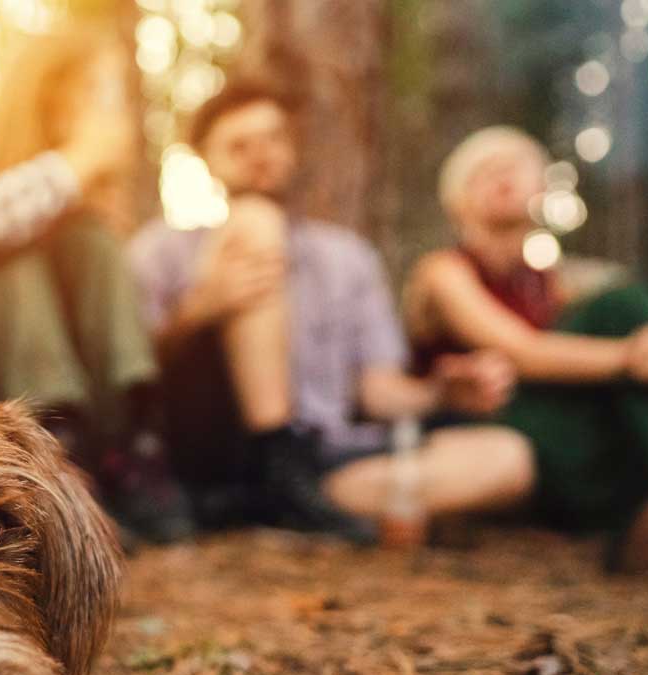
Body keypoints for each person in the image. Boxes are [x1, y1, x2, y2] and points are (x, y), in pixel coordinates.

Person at [128, 80, 535, 541]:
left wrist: (439, 392)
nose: (260, 155)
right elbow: (130, 384)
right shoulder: (159, 251)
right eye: (239, 146)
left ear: (294, 146)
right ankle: (275, 463)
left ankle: (286, 504)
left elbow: (376, 393)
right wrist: (198, 309)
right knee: (256, 219)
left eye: (273, 138)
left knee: (509, 458)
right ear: (206, 160)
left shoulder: (348, 257)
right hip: (212, 450)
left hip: (322, 455)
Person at [0, 25, 194, 545]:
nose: (110, 111)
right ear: (53, 92)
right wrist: (78, 164)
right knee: (12, 257)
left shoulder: (96, 204)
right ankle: (55, 455)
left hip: (94, 394)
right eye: (98, 90)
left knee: (91, 237)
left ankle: (134, 450)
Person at [406, 126, 648, 536]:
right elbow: (524, 354)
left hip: (554, 432)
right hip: (490, 432)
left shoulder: (549, 279)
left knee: (631, 305)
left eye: (515, 167)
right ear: (458, 195)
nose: (503, 177)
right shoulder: (443, 272)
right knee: (617, 310)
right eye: (486, 170)